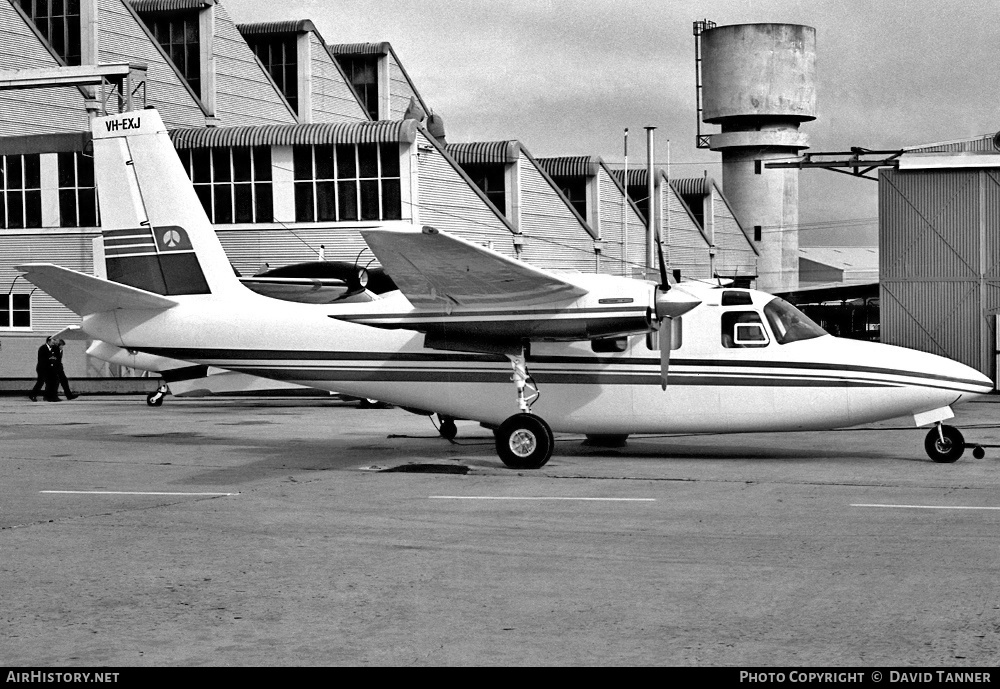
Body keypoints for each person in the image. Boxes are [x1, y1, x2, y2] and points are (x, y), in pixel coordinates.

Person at [29, 336, 59, 402]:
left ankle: (48, 396)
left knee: (50, 382)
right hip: (42, 368)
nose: (54, 342)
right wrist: (50, 359)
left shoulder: (54, 348)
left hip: (50, 368)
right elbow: (42, 359)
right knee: (41, 382)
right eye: (52, 340)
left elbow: (56, 357)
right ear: (48, 341)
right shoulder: (43, 348)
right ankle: (33, 395)